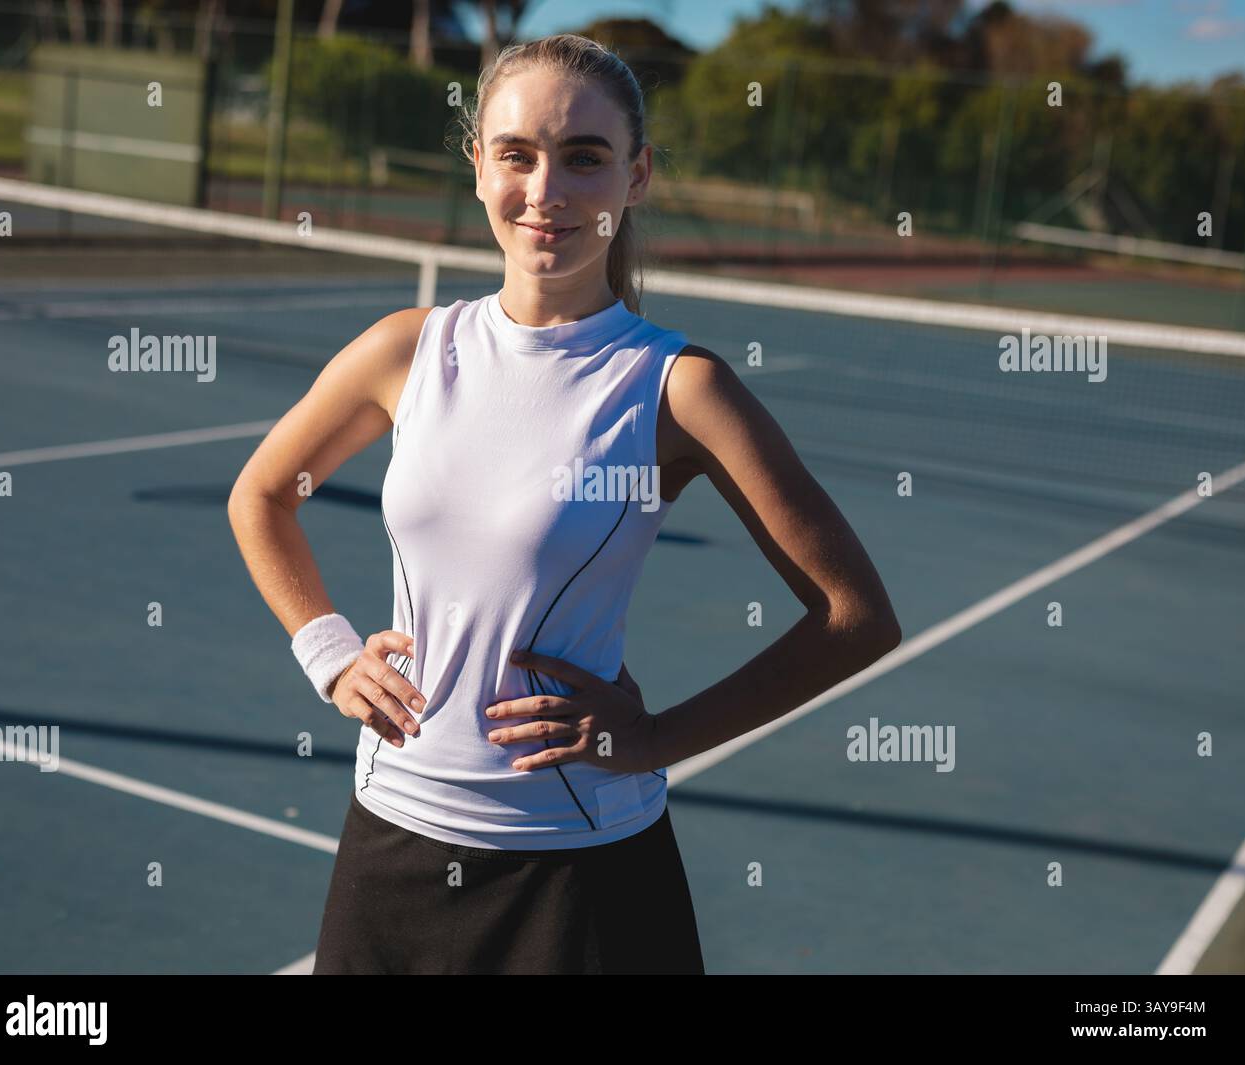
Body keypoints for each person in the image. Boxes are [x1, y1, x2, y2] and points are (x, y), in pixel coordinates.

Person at [227, 33, 901, 976]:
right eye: (517, 154)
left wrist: (661, 737)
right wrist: (329, 653)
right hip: (391, 845)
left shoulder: (676, 386)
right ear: (478, 168)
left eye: (585, 157)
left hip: (579, 872)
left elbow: (857, 617)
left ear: (637, 177)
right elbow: (262, 494)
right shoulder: (406, 350)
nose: (546, 192)